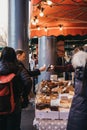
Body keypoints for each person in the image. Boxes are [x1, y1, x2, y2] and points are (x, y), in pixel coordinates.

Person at [48, 48, 87, 130]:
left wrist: (54, 67)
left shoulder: (78, 69)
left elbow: (66, 68)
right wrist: (55, 67)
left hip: (76, 105)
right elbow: (66, 68)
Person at [0, 46, 32, 130]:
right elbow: (28, 81)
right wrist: (24, 95)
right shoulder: (18, 68)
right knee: (14, 125)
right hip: (15, 102)